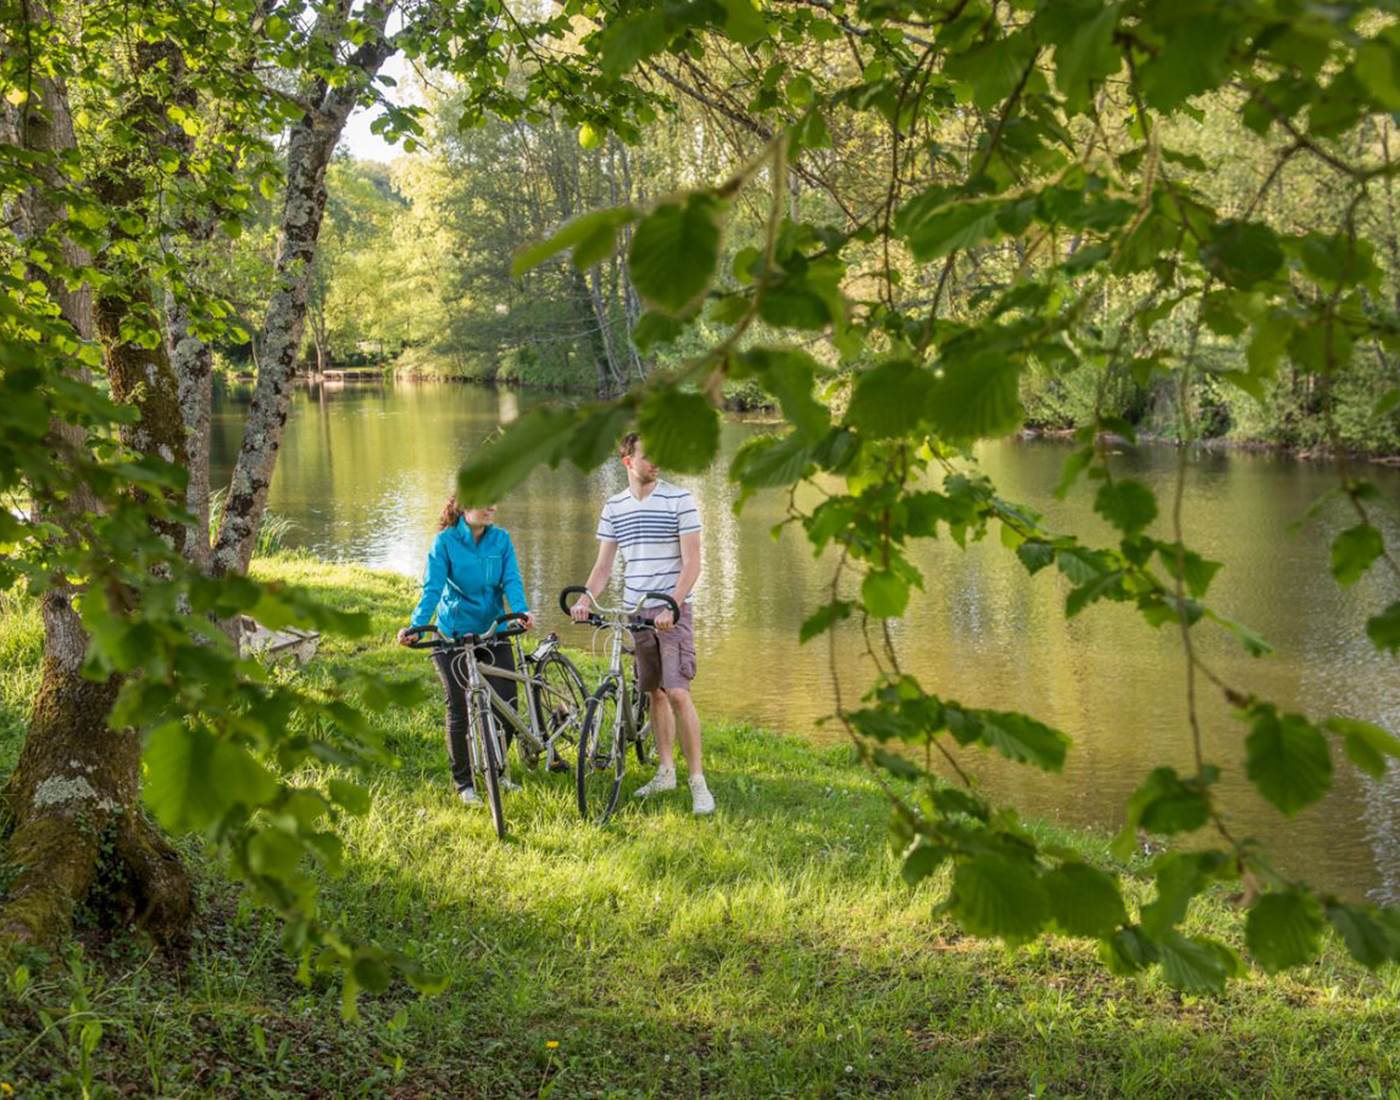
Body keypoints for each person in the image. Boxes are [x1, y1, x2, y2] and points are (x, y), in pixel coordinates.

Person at [571, 433, 713, 815]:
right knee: (654, 692)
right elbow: (603, 567)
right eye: (649, 456)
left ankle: (698, 782)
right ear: (627, 461)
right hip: (635, 612)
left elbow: (693, 562)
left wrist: (673, 605)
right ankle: (665, 772)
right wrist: (586, 599)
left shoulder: (679, 500)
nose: (657, 462)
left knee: (679, 692)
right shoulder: (614, 506)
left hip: (672, 610)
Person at [398, 497, 534, 806]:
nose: (493, 507)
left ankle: (498, 771)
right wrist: (417, 626)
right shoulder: (445, 542)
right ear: (464, 505)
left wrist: (522, 613)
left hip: (493, 630)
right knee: (459, 706)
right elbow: (432, 588)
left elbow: (511, 579)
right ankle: (465, 784)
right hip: (453, 635)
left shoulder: (501, 539)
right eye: (487, 502)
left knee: (507, 705)